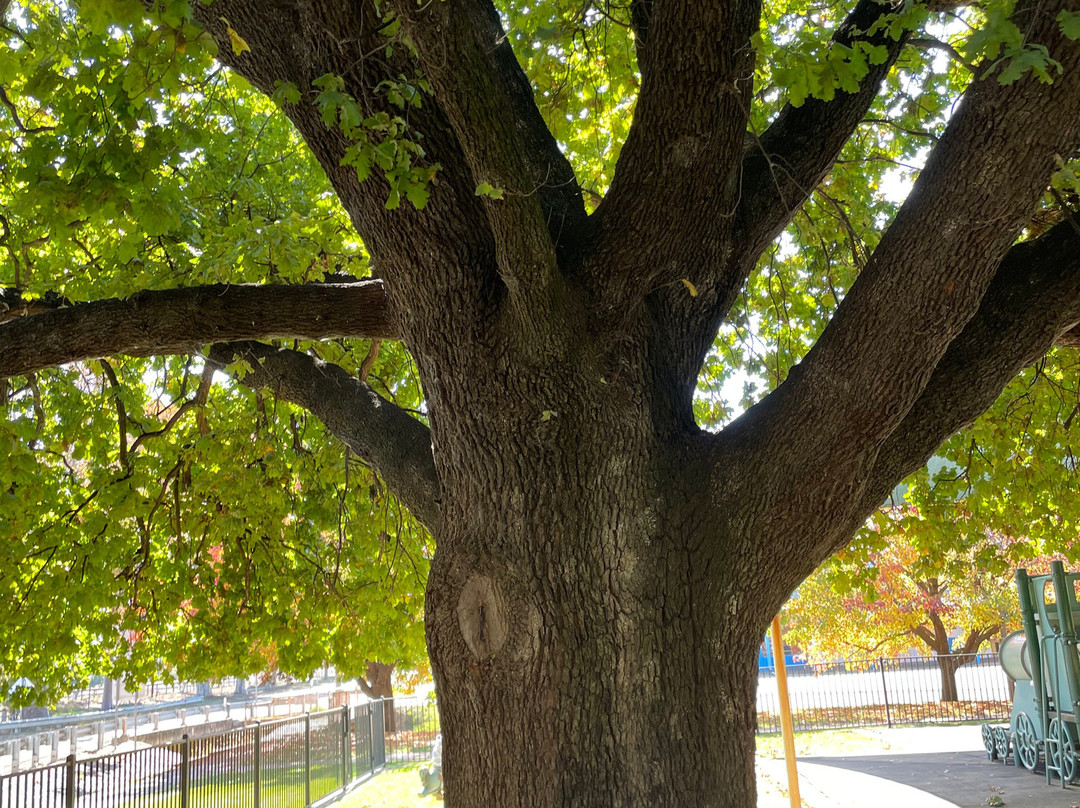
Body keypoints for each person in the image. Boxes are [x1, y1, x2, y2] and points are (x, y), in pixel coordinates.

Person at [418, 733, 443, 797]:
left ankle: (437, 792)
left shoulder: (439, 739)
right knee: (439, 777)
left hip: (437, 764)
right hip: (439, 764)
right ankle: (437, 792)